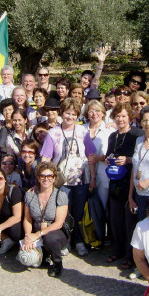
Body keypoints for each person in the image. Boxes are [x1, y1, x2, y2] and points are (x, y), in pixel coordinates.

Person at [40, 97, 97, 257]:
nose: (70, 117)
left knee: (78, 213)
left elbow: (90, 155)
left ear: (77, 115)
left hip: (81, 180)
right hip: (60, 182)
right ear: (61, 113)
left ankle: (78, 241)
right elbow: (45, 158)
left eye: (73, 114)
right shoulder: (53, 133)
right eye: (67, 113)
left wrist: (93, 177)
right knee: (63, 214)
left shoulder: (83, 132)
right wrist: (45, 179)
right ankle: (65, 241)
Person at [105, 102, 143, 269]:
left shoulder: (137, 134)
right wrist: (108, 159)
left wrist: (127, 160)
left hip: (130, 182)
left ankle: (130, 255)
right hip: (115, 181)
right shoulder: (113, 136)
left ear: (130, 117)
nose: (120, 119)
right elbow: (108, 154)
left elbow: (140, 158)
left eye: (123, 116)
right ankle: (118, 249)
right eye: (118, 115)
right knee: (115, 219)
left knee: (129, 220)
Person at [22, 162, 69, 277]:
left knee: (50, 238)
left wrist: (37, 234)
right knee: (28, 259)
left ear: (54, 178)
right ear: (38, 177)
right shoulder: (30, 194)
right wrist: (28, 236)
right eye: (42, 176)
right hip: (36, 230)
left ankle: (57, 263)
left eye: (49, 176)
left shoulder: (60, 195)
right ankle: (45, 254)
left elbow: (58, 223)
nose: (46, 179)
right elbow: (27, 218)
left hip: (55, 232)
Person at [83, 100, 113, 210]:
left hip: (103, 174)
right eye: (91, 111)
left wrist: (99, 158)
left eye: (98, 111)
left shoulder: (110, 130)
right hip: (84, 174)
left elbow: (113, 155)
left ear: (103, 113)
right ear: (87, 114)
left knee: (101, 207)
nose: (94, 114)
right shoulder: (81, 129)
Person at [0, 99, 15, 167]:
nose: (7, 112)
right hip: (2, 159)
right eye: (5, 110)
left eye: (10, 110)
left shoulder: (18, 125)